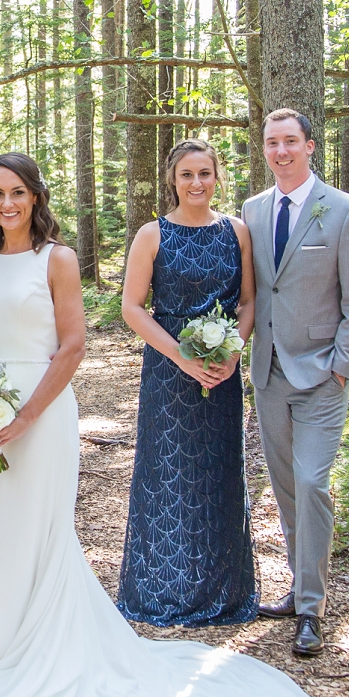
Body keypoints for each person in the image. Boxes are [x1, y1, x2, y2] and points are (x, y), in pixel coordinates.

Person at [0, 155, 318, 697]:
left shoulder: (58, 258)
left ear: (35, 197)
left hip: (45, 413)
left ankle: (50, 651)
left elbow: (73, 345)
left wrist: (24, 416)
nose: (7, 204)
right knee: (1, 527)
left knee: (44, 531)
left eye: (18, 192)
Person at [241, 108, 349, 657]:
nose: (281, 152)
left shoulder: (345, 211)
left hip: (323, 373)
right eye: (272, 143)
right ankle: (299, 588)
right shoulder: (251, 211)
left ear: (310, 146)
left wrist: (344, 364)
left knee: (313, 481)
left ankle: (312, 609)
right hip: (269, 372)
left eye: (290, 142)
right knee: (285, 487)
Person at [117, 139, 259, 626]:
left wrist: (231, 349)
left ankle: (221, 592)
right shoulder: (151, 234)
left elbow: (247, 303)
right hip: (168, 369)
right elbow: (132, 308)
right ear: (172, 180)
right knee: (166, 474)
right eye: (186, 175)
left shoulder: (236, 231)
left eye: (205, 173)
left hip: (221, 371)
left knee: (218, 474)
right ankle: (160, 589)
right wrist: (180, 356)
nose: (196, 183)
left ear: (217, 176)